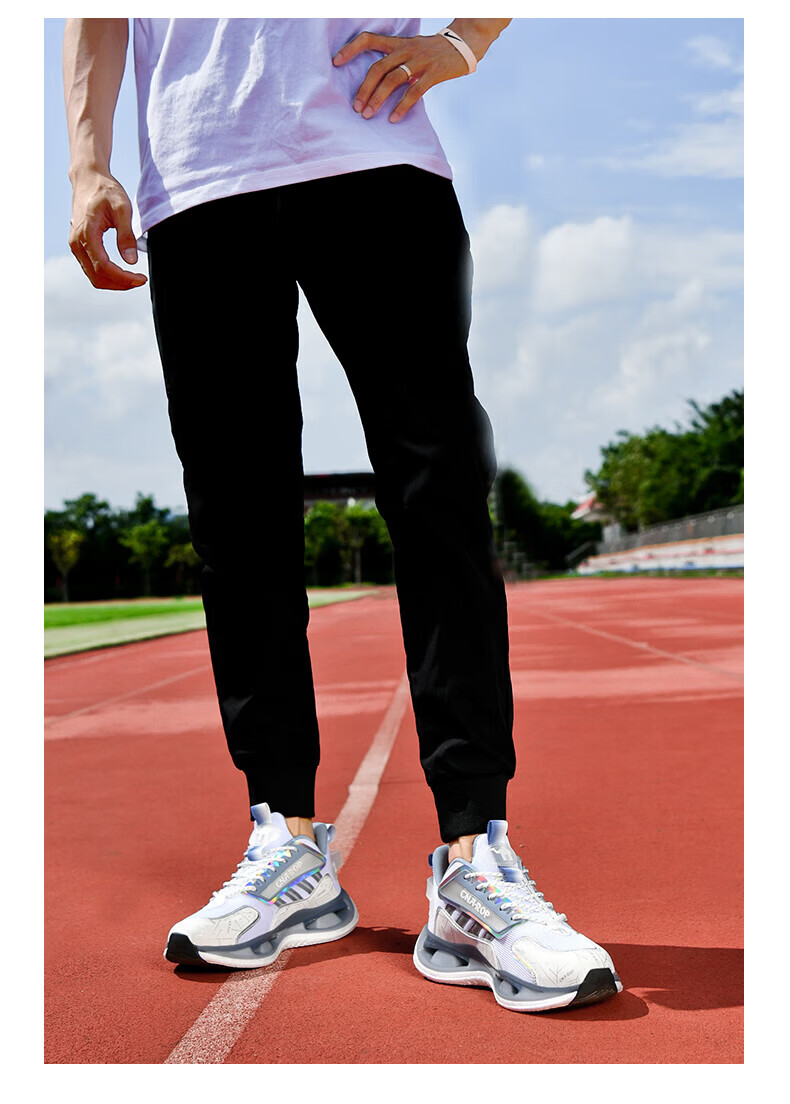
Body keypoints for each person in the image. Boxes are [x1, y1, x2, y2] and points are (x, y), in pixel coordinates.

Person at [63, 16, 622, 1012]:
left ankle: (474, 859)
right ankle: (285, 843)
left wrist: (467, 39)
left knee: (440, 494)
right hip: (197, 176)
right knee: (237, 521)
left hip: (370, 150)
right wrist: (87, 160)